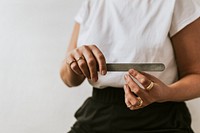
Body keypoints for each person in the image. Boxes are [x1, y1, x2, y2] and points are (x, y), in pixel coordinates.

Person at [60, 0, 200, 132]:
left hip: (161, 120)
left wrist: (165, 93)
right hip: (98, 115)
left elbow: (196, 75)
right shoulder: (93, 2)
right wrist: (74, 63)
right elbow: (67, 78)